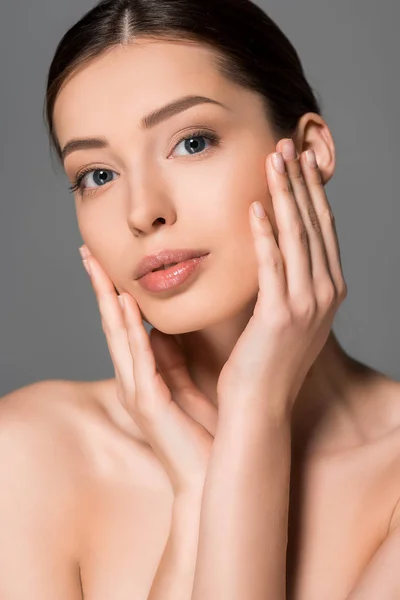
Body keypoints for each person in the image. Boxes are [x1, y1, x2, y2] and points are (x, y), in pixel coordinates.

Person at [1, 0, 400, 598]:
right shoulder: (29, 453)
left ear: (309, 152)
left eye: (191, 142)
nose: (142, 212)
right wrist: (196, 499)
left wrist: (255, 411)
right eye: (97, 175)